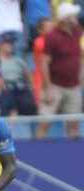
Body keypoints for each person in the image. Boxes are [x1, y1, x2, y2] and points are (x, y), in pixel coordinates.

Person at [37, 3, 82, 138]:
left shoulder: (77, 31)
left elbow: (80, 56)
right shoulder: (52, 36)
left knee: (74, 125)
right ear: (65, 18)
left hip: (73, 86)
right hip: (55, 86)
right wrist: (48, 87)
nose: (76, 17)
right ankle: (34, 151)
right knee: (45, 123)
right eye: (73, 15)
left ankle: (73, 155)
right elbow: (44, 63)